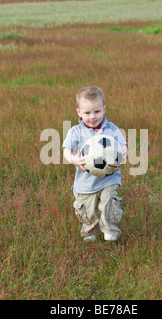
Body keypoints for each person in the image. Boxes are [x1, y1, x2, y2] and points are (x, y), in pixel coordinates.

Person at [62, 86, 127, 242]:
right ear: (79, 112)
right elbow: (66, 149)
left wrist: (123, 153)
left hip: (109, 178)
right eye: (87, 113)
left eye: (97, 111)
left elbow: (122, 145)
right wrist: (73, 159)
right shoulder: (75, 131)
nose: (93, 116)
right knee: (87, 210)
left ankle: (110, 229)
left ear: (104, 109)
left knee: (109, 202)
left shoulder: (112, 129)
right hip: (85, 182)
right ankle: (90, 231)